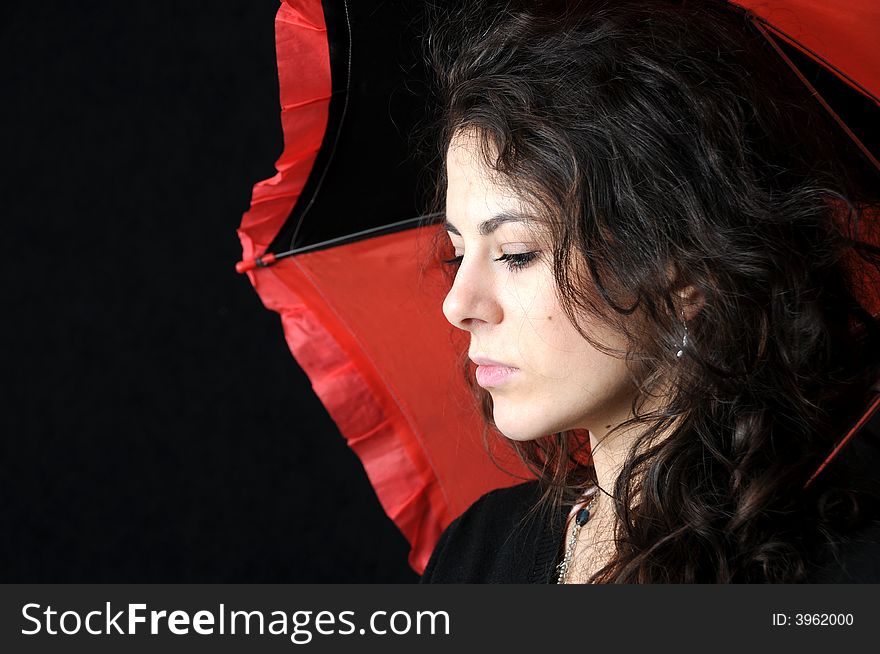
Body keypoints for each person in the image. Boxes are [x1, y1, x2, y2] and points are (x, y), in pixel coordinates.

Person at [417, 0, 880, 583]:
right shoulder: (478, 553)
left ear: (687, 278)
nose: (457, 305)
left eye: (516, 254)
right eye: (458, 253)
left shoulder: (841, 577)